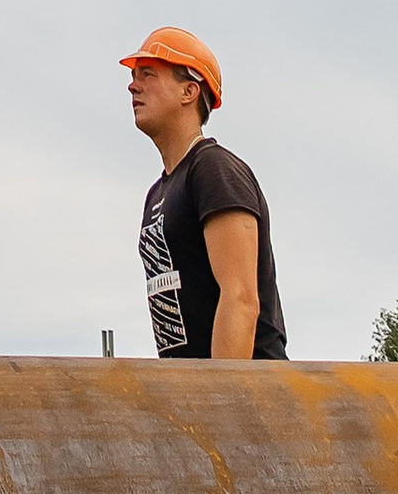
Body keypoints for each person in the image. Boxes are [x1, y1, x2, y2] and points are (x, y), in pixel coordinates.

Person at [123, 25, 289, 361]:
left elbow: (241, 298)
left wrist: (220, 402)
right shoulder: (158, 193)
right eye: (135, 76)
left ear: (189, 91)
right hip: (191, 396)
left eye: (149, 74)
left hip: (247, 399)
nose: (132, 85)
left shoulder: (214, 170)